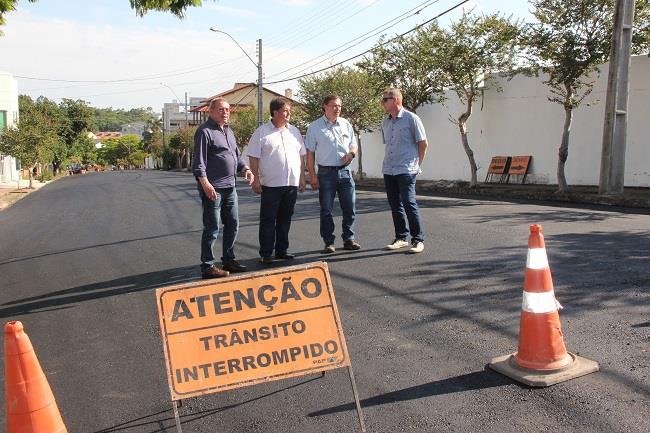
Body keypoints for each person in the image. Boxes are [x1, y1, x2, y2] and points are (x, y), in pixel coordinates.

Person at [192, 97, 254, 278]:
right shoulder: (204, 132)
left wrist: (246, 169)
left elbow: (235, 155)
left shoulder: (228, 131)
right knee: (212, 228)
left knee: (233, 224)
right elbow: (199, 162)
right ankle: (208, 266)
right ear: (210, 112)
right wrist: (205, 184)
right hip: (214, 188)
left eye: (227, 109)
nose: (225, 112)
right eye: (221, 109)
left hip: (230, 187)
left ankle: (228, 259)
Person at [247, 98, 306, 264]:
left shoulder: (294, 131)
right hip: (271, 185)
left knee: (285, 219)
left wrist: (302, 178)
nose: (288, 114)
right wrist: (255, 179)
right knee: (268, 220)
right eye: (284, 111)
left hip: (291, 184)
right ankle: (266, 253)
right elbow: (253, 156)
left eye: (289, 110)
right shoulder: (262, 132)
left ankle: (282, 250)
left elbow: (301, 156)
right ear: (274, 112)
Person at [306, 95, 360, 254]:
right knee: (326, 209)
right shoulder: (314, 127)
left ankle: (348, 239)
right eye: (334, 105)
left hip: (344, 172)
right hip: (325, 173)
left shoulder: (345, 124)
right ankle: (329, 242)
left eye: (339, 106)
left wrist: (351, 154)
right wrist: (312, 176)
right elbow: (310, 153)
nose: (337, 108)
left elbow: (353, 144)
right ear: (325, 106)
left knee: (349, 207)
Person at [380, 88, 428, 254]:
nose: (382, 103)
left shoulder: (411, 118)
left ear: (394, 100)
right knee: (395, 205)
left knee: (409, 203)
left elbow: (423, 143)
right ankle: (401, 237)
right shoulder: (385, 121)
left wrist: (417, 165)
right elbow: (389, 145)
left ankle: (418, 239)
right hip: (389, 168)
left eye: (384, 100)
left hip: (406, 169)